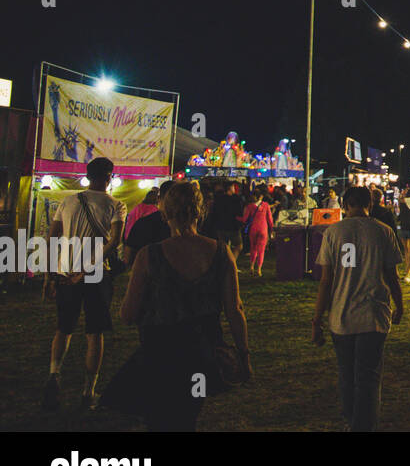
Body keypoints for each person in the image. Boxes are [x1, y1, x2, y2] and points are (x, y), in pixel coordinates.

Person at [102, 181, 252, 430]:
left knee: (160, 419)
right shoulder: (221, 253)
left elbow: (127, 315)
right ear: (199, 212)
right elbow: (235, 310)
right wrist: (244, 357)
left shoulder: (149, 256)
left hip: (159, 356)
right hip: (202, 357)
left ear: (164, 213)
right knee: (189, 414)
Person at [312, 186, 404, 432]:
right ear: (370, 205)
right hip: (373, 314)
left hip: (341, 316)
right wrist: (400, 304)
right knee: (369, 378)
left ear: (344, 206)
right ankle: (363, 425)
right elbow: (392, 275)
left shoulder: (333, 232)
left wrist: (316, 319)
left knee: (346, 375)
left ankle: (352, 421)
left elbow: (325, 281)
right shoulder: (383, 232)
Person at [42, 157, 125, 412]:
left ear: (88, 176)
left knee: (63, 328)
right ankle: (88, 392)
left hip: (66, 273)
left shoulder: (68, 201)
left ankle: (55, 375)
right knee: (94, 333)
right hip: (96, 274)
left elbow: (52, 237)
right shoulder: (116, 205)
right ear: (109, 177)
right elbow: (114, 241)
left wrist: (49, 275)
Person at [241, 188, 275, 277]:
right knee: (261, 250)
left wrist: (237, 218)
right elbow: (270, 219)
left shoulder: (250, 206)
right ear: (261, 196)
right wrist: (272, 229)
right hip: (263, 229)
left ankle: (251, 267)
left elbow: (245, 219)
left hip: (253, 229)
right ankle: (259, 269)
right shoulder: (266, 205)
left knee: (253, 248)